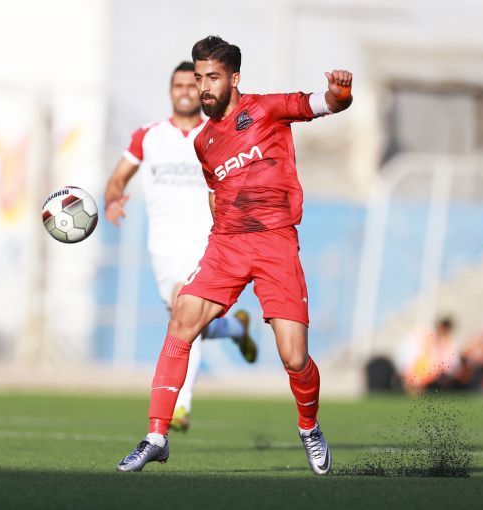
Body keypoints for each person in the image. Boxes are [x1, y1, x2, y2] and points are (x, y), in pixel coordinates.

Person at [117, 35, 353, 475]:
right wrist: (217, 240)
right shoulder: (204, 142)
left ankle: (309, 427)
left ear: (235, 78)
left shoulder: (267, 109)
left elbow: (324, 104)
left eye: (212, 77)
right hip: (226, 243)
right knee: (182, 320)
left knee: (294, 357)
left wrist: (339, 93)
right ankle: (156, 436)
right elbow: (215, 192)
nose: (203, 87)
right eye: (199, 78)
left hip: (275, 242)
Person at [104, 61, 258, 432]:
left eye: (192, 85)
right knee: (190, 324)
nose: (186, 91)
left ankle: (179, 406)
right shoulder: (148, 136)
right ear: (170, 91)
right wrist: (112, 199)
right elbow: (118, 177)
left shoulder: (217, 132)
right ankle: (235, 330)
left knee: (182, 309)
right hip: (162, 248)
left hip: (206, 242)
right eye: (179, 86)